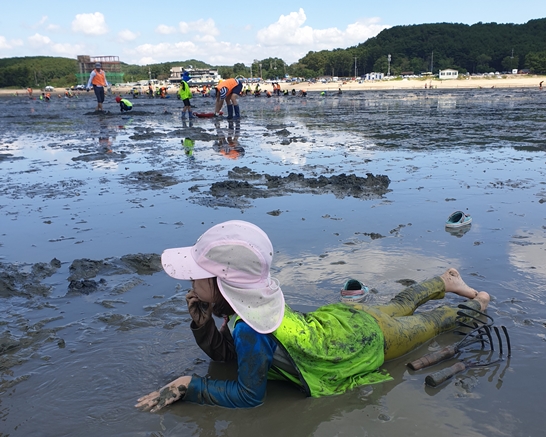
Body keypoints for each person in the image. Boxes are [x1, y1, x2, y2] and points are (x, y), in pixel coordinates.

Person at [136, 220, 490, 412]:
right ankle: (445, 280)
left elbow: (248, 395)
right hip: (344, 319)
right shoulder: (255, 303)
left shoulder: (249, 330)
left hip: (370, 342)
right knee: (398, 304)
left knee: (433, 323)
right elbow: (232, 355)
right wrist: (203, 324)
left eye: (196, 276)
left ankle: (480, 302)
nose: (189, 281)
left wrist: (190, 386)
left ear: (221, 285)